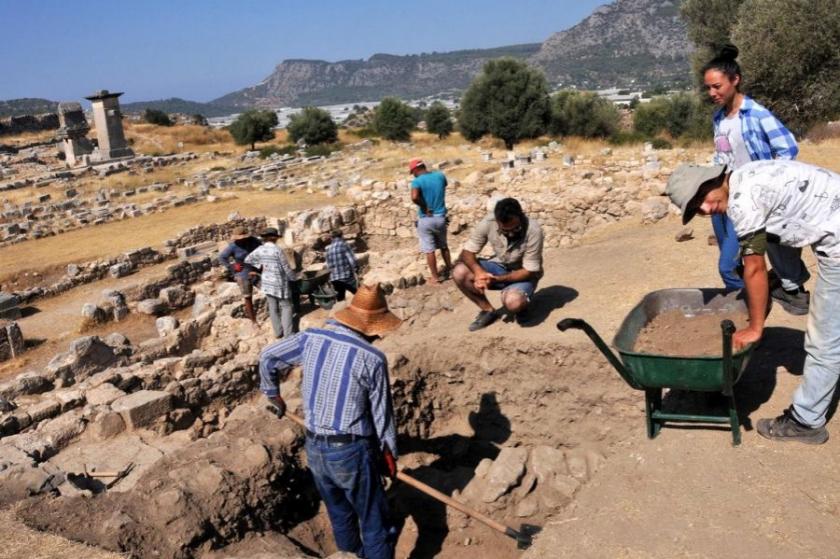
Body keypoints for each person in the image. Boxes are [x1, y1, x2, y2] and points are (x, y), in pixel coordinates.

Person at [666, 159, 840, 445]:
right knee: (771, 235)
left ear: (712, 180)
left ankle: (807, 422)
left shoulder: (743, 202)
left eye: (703, 199)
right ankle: (790, 287)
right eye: (697, 210)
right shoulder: (746, 175)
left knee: (825, 341)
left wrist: (756, 327)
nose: (706, 209)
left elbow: (755, 268)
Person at [259, 284, 401, 558]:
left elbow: (268, 356)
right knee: (375, 523)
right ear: (371, 326)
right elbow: (383, 415)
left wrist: (273, 394)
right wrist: (389, 454)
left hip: (314, 447)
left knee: (340, 514)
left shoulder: (312, 338)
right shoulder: (372, 357)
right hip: (351, 452)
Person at [703, 44, 810, 314]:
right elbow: (722, 157)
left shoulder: (757, 114)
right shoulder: (719, 117)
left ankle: (758, 307)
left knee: (727, 266)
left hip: (750, 201)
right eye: (708, 88)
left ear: (735, 80)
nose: (712, 93)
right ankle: (756, 310)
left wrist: (768, 184)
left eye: (716, 86)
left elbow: (788, 149)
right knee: (739, 263)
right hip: (725, 196)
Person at [452, 197, 544, 332]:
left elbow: (528, 271)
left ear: (521, 215)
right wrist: (479, 273)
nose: (511, 233)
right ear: (497, 221)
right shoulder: (488, 222)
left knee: (513, 302)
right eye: (505, 231)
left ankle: (521, 305)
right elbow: (466, 253)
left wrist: (496, 279)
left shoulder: (533, 230)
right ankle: (488, 311)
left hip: (523, 273)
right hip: (500, 266)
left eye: (515, 228)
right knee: (459, 272)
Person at [245, 228, 297, 338]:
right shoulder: (277, 250)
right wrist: (294, 278)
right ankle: (288, 334)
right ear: (274, 238)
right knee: (286, 306)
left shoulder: (260, 249)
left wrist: (260, 266)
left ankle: (278, 332)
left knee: (273, 307)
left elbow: (248, 259)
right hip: (279, 283)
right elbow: (286, 268)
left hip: (267, 282)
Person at [409, 158, 452, 284]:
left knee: (429, 250)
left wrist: (425, 207)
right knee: (444, 246)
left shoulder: (417, 181)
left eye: (413, 172)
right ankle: (450, 269)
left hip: (426, 219)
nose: (413, 174)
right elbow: (444, 187)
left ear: (416, 169)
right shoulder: (440, 176)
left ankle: (435, 277)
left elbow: (414, 197)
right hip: (441, 217)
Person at [218, 226, 261, 322]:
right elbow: (222, 257)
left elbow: (263, 250)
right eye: (239, 239)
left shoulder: (254, 241)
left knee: (268, 290)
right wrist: (232, 266)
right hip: (243, 274)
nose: (242, 240)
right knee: (248, 297)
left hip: (256, 270)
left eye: (244, 238)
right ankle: (253, 321)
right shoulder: (233, 246)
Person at [324, 230, 358, 302]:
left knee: (340, 299)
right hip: (346, 276)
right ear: (341, 236)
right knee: (360, 295)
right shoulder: (344, 245)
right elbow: (352, 260)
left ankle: (341, 311)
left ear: (332, 238)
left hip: (334, 279)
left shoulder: (328, 249)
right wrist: (356, 268)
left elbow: (328, 266)